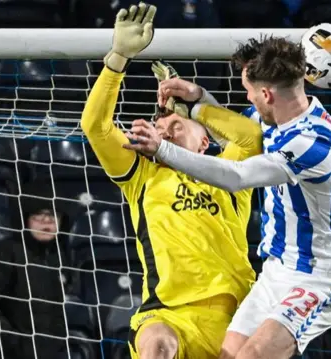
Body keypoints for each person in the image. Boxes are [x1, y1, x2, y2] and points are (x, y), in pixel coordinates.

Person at [124, 35, 331, 359]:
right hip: (277, 269)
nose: (246, 98)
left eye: (248, 91)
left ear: (266, 94)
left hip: (316, 277)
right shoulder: (278, 116)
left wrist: (163, 148)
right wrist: (198, 98)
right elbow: (235, 134)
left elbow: (237, 176)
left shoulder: (314, 145)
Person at [80, 3, 260, 358]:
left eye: (176, 127)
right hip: (167, 313)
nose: (166, 132)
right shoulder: (142, 175)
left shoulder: (230, 173)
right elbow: (95, 127)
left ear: (204, 140)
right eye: (160, 130)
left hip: (238, 316)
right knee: (158, 346)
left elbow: (250, 137)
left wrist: (194, 106)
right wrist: (118, 58)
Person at [0, 182, 72, 359]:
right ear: (25, 217)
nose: (46, 220)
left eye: (53, 214)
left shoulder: (59, 259)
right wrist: (15, 343)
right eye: (39, 214)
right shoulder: (4, 253)